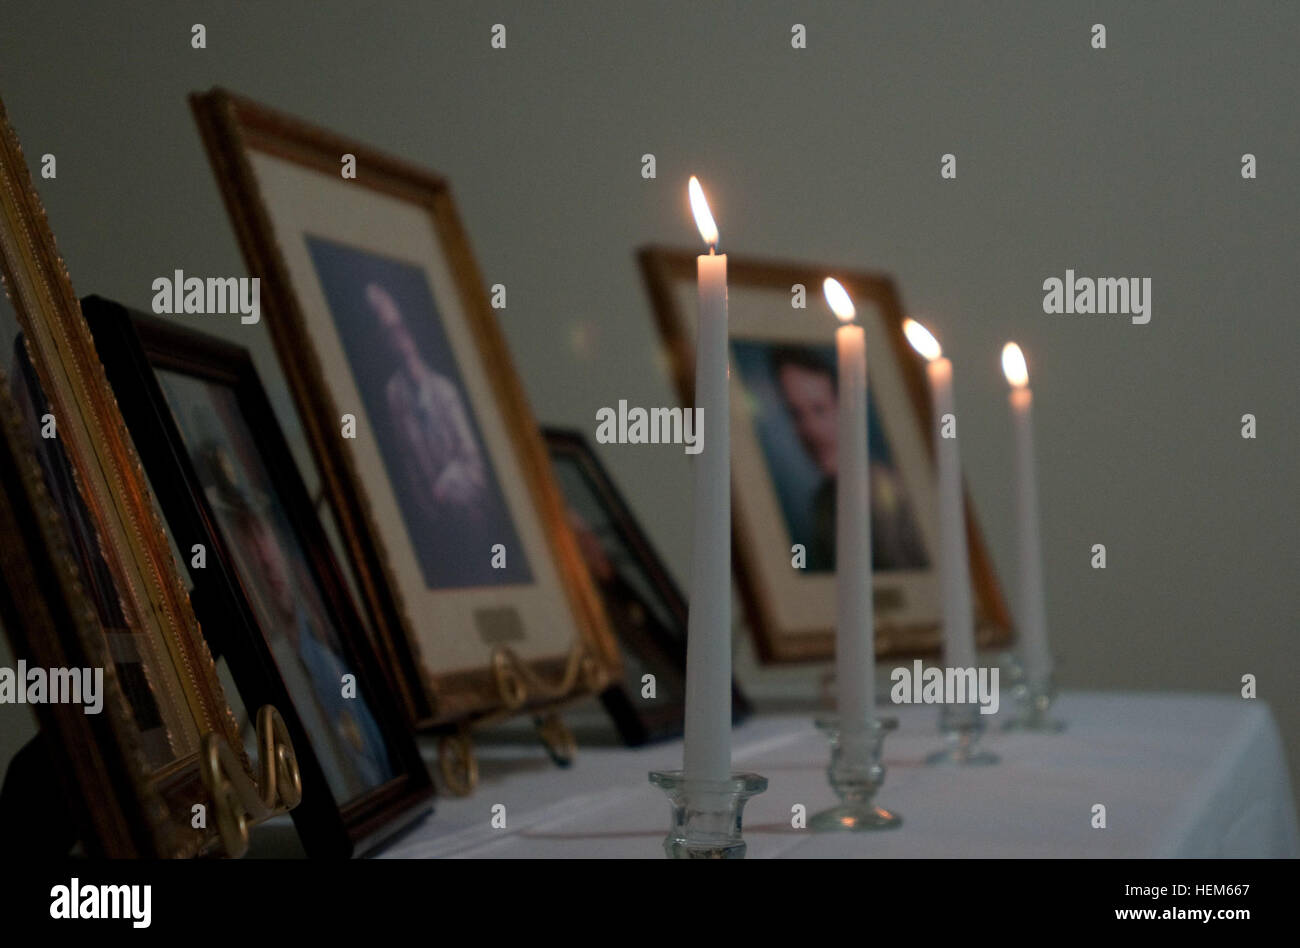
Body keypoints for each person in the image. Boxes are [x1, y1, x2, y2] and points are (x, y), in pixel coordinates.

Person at [769, 346, 928, 572]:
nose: (811, 429)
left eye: (819, 409)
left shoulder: (895, 494)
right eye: (796, 414)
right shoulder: (823, 506)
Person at [365, 282, 488, 532]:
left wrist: (445, 485)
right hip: (440, 526)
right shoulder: (394, 395)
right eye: (387, 332)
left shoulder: (445, 391)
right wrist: (431, 512)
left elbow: (476, 470)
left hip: (471, 518)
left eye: (398, 328)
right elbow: (409, 468)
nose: (397, 338)